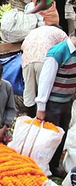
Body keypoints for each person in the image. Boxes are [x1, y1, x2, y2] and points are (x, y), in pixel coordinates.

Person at [35, 34, 76, 177]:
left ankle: (53, 167)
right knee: (49, 138)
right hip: (53, 104)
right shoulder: (58, 53)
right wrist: (41, 107)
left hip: (66, 101)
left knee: (61, 136)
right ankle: (43, 168)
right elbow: (46, 81)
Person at [20, 25, 67, 117]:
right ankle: (42, 118)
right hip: (43, 59)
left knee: (29, 90)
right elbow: (67, 50)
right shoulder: (61, 34)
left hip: (27, 59)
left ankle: (30, 117)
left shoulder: (36, 31)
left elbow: (22, 48)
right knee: (43, 89)